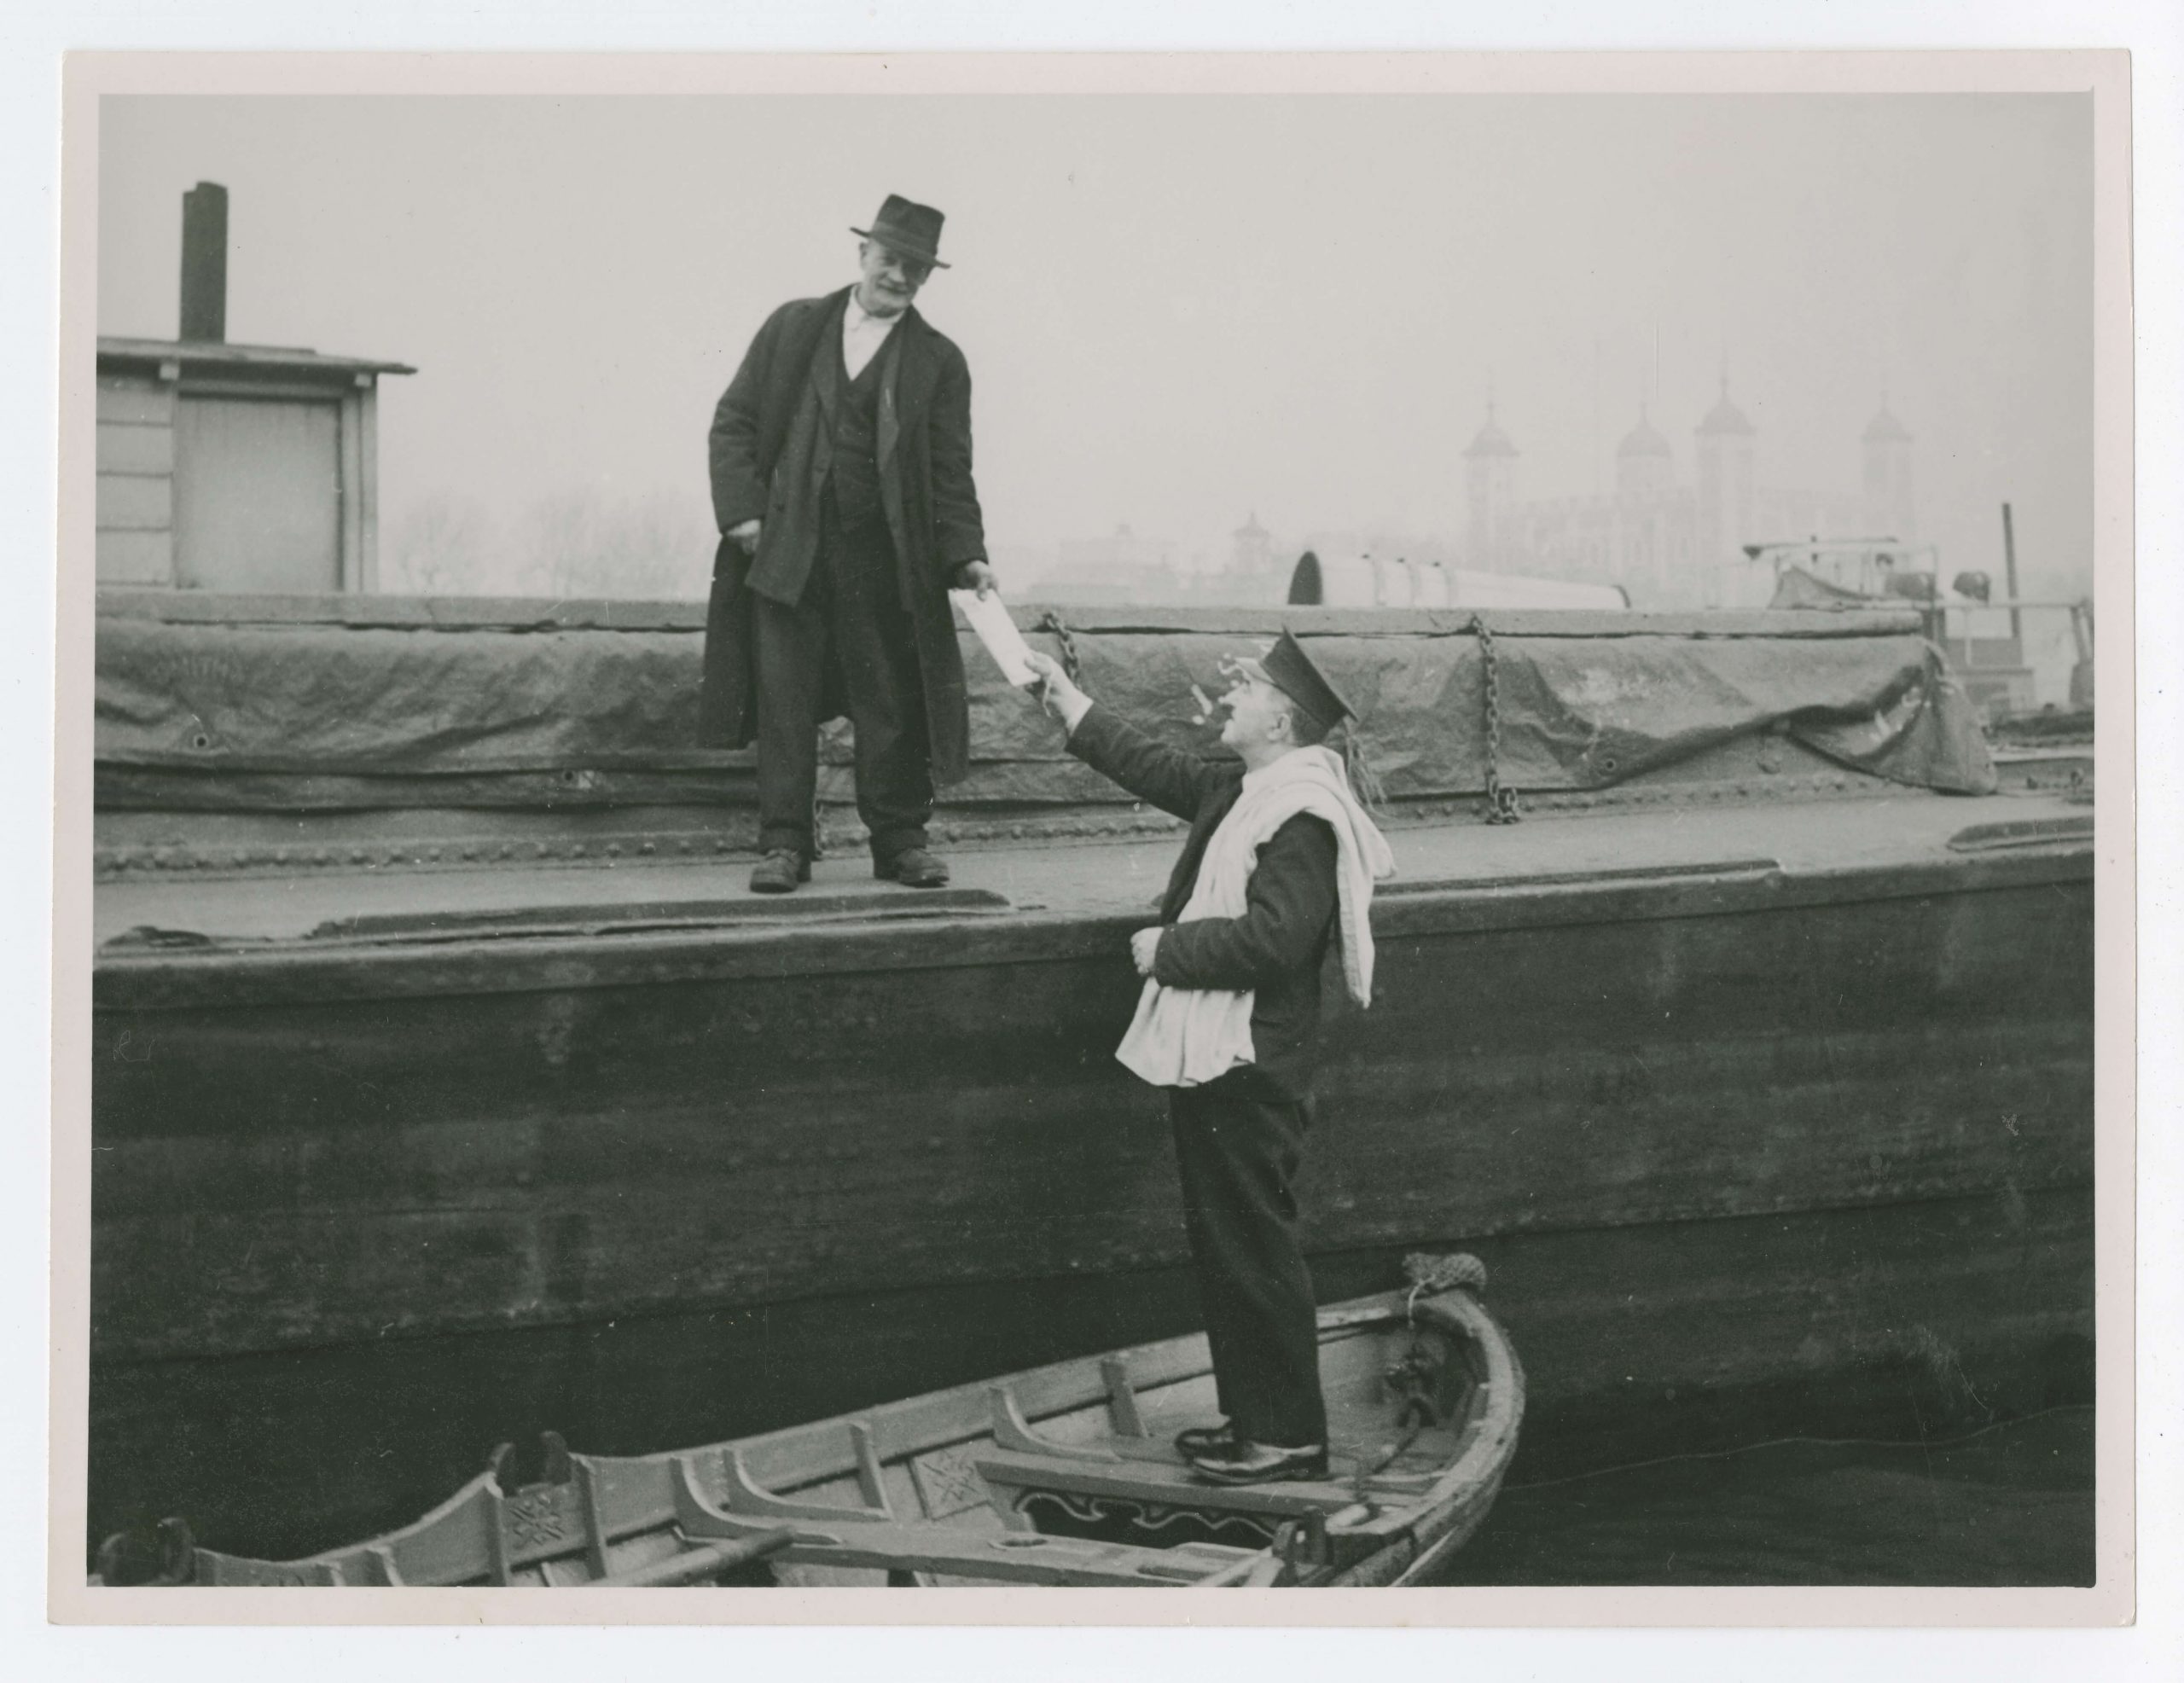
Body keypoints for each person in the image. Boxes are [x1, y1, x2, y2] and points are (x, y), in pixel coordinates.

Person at [1022, 633, 1395, 1485]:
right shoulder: (1243, 787)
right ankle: (1253, 1424)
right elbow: (1151, 765)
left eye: (1249, 686)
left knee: (1251, 1247)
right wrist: (1065, 701)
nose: (1229, 694)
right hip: (1221, 1059)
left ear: (1282, 718)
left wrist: (1169, 950)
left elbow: (1275, 939)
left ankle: (1288, 1440)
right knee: (1229, 1245)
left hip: (1250, 1065)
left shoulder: (1302, 814)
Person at [700, 194, 996, 894]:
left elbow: (952, 471)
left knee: (890, 702)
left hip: (886, 562)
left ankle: (899, 842)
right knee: (783, 699)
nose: (900, 276)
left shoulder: (940, 361)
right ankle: (783, 845)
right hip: (787, 552)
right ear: (863, 253)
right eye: (891, 259)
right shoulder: (793, 327)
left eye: (916, 268)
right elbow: (733, 423)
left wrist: (967, 552)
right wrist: (742, 514)